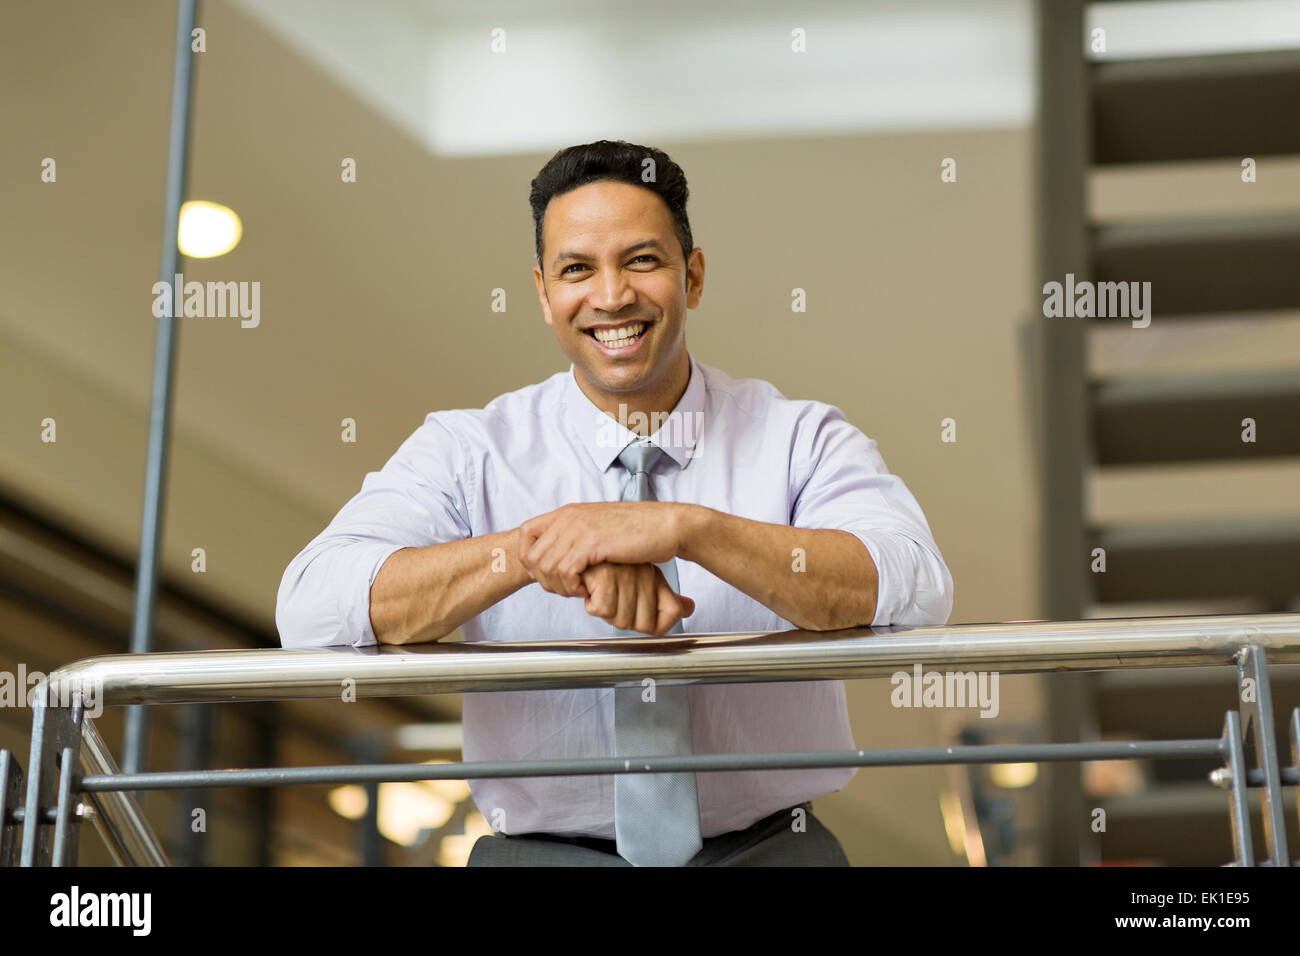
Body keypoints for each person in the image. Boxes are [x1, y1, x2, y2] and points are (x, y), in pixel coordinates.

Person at [276, 139, 954, 867]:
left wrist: (681, 529)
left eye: (641, 260)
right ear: (543, 293)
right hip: (537, 857)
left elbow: (914, 585)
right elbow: (312, 608)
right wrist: (543, 548)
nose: (610, 296)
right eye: (577, 269)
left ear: (692, 276)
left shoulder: (799, 438)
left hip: (772, 852)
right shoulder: (468, 449)